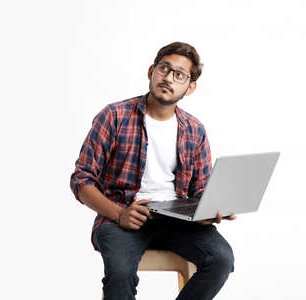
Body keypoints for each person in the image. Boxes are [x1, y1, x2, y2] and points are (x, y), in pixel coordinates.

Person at [70, 41, 236, 300]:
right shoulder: (114, 116)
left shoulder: (195, 130)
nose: (169, 78)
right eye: (164, 69)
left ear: (190, 87)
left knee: (221, 259)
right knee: (120, 275)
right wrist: (119, 213)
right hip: (122, 216)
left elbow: (200, 192)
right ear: (151, 71)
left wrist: (207, 213)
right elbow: (81, 181)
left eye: (179, 74)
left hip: (177, 220)